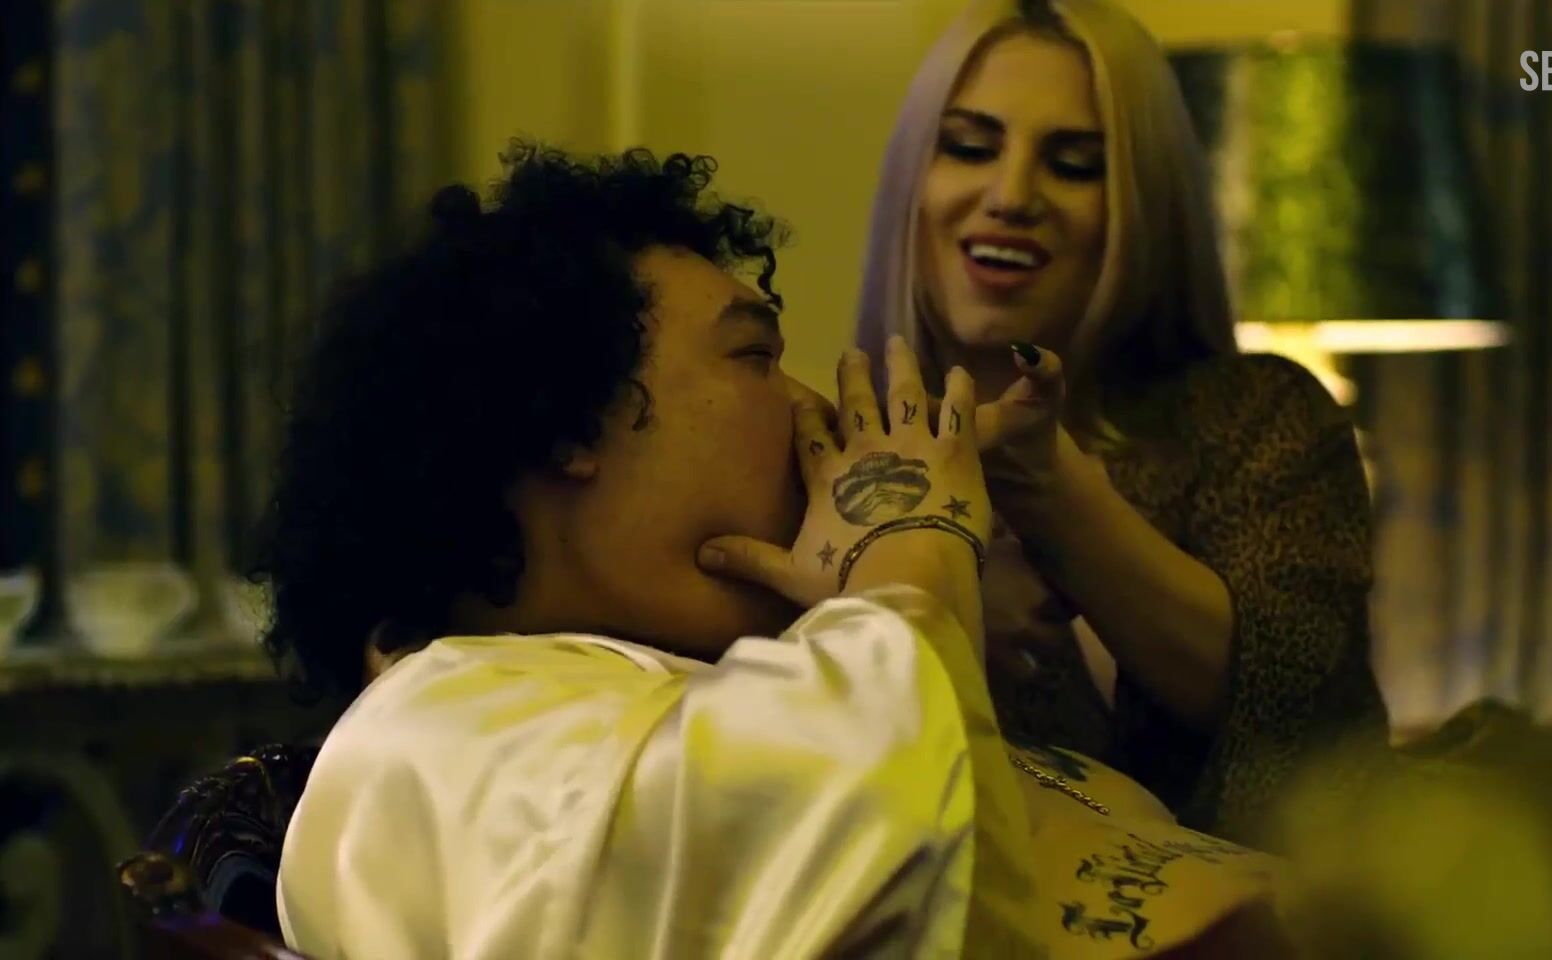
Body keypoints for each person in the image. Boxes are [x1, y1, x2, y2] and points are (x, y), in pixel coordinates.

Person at [255, 144, 1285, 959]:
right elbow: (862, 853)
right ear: (560, 418)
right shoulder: (432, 735)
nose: (814, 411)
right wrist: (910, 540)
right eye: (755, 356)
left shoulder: (719, 681)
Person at [848, 0, 1389, 844]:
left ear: (1143, 205)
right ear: (911, 180)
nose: (1010, 196)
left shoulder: (1255, 418)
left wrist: (1059, 501)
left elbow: (1306, 716)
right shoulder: (838, 453)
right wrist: (933, 596)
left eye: (1073, 164)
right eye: (971, 148)